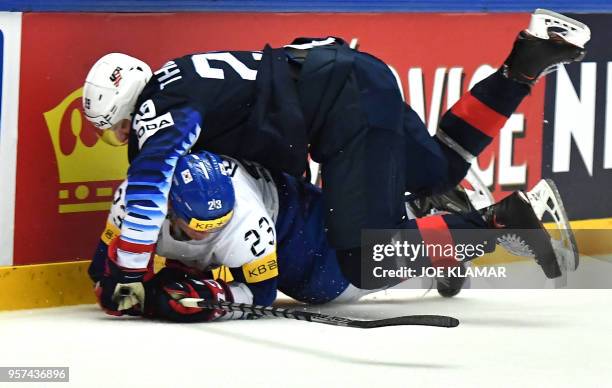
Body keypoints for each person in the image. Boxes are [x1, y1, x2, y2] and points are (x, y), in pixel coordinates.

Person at [82, 9, 589, 315]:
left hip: (340, 111)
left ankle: (500, 221)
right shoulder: (177, 74)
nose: (126, 138)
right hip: (349, 72)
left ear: (128, 111)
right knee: (439, 168)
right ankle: (525, 62)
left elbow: (149, 185)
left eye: (119, 127)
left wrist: (127, 273)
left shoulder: (157, 112)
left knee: (364, 259)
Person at [91, 150, 575, 321]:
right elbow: (104, 267)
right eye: (193, 229)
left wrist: (214, 294)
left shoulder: (245, 218)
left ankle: (493, 220)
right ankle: (431, 212)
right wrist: (119, 287)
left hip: (291, 226)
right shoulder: (136, 199)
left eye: (214, 227)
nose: (205, 235)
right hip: (293, 199)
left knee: (339, 282)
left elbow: (261, 292)